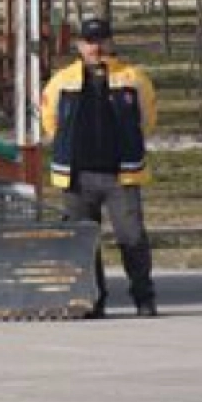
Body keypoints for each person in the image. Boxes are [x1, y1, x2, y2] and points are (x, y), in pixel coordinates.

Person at [41, 16, 159, 318]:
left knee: (132, 237)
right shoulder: (61, 81)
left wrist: (127, 144)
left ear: (110, 42)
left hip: (121, 175)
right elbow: (50, 122)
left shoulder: (134, 78)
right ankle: (93, 299)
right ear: (80, 45)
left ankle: (143, 298)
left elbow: (147, 120)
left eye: (101, 40)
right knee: (83, 242)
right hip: (77, 176)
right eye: (89, 41)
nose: (95, 47)